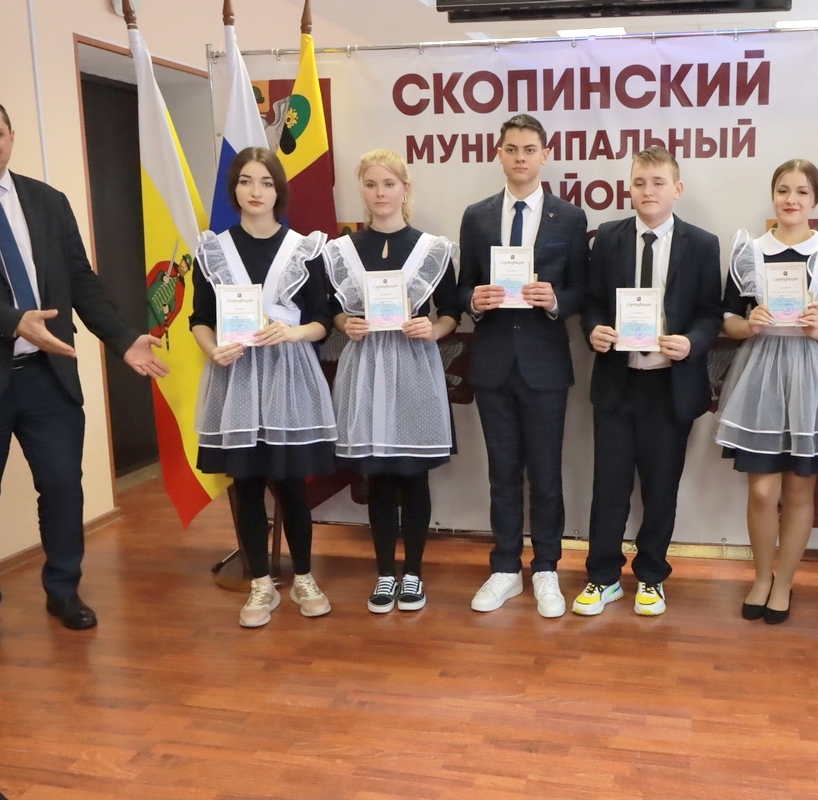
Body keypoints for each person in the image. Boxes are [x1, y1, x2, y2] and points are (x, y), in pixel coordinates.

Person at [0, 94, 167, 652]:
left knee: (65, 490)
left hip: (48, 378)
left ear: (11, 136)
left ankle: (64, 591)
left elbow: (80, 281)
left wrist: (122, 338)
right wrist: (11, 321)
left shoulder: (46, 201)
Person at [190, 146, 336, 628]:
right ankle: (260, 584)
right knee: (247, 483)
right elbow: (199, 318)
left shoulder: (305, 249)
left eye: (266, 182)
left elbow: (322, 321)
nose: (256, 191)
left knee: (291, 484)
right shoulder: (212, 250)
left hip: (288, 377)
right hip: (235, 378)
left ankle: (305, 577)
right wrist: (212, 349)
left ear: (279, 191)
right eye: (246, 181)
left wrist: (293, 332)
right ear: (234, 189)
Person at [572, 146, 722, 617]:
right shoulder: (609, 238)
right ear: (629, 188)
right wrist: (594, 329)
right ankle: (602, 577)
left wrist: (692, 343)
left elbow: (710, 313)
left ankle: (652, 576)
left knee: (661, 489)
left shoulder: (702, 244)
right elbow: (593, 302)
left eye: (658, 182)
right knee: (609, 486)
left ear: (677, 189)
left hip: (669, 386)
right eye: (639, 182)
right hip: (617, 382)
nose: (648, 191)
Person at [715, 159, 818, 625]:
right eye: (783, 190)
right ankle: (761, 576)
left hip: (813, 370)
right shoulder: (751, 250)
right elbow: (729, 320)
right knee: (762, 490)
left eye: (801, 191)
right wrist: (749, 324)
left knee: (799, 490)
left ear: (815, 199)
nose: (791, 199)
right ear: (773, 195)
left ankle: (784, 582)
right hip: (761, 371)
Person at [456, 114, 588, 618]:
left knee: (547, 473)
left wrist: (556, 300)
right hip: (493, 363)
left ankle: (547, 568)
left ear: (545, 155)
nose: (520, 157)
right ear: (499, 153)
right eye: (511, 148)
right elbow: (462, 286)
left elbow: (582, 290)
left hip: (545, 365)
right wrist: (474, 300)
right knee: (502, 472)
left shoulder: (569, 217)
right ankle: (506, 567)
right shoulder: (477, 215)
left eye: (529, 149)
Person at [324, 149, 460, 613]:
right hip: (365, 367)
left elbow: (452, 312)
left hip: (414, 366)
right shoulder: (341, 250)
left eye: (388, 183)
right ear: (362, 191)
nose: (380, 193)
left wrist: (433, 329)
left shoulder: (432, 249)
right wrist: (345, 323)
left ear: (405, 188)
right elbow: (332, 310)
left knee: (412, 474)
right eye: (371, 184)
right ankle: (385, 573)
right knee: (378, 475)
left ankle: (414, 573)